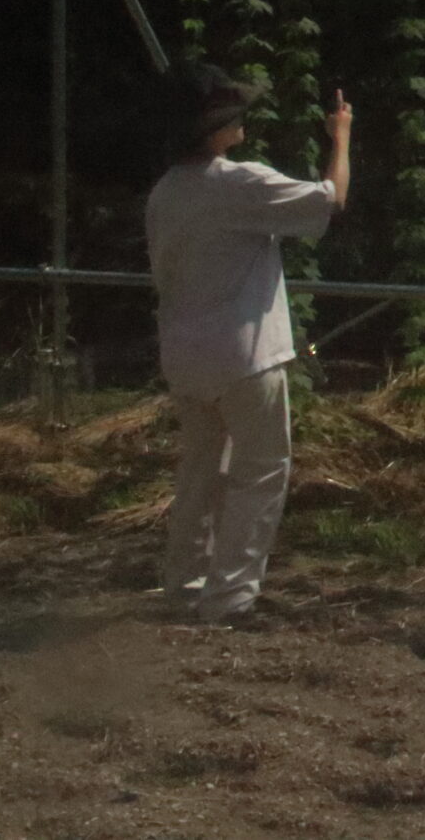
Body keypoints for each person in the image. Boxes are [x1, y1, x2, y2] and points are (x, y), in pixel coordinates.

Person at [146, 65, 351, 625]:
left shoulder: (165, 192)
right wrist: (341, 137)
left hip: (185, 355)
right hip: (245, 355)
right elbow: (330, 199)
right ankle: (230, 598)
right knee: (259, 471)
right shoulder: (239, 183)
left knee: (199, 473)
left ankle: (185, 587)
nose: (242, 120)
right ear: (213, 127)